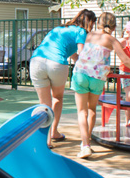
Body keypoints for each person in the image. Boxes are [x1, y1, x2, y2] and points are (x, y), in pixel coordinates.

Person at [71, 12, 130, 159]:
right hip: (97, 77)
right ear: (114, 26)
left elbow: (76, 52)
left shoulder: (87, 35)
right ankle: (88, 144)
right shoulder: (112, 40)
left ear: (98, 23)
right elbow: (127, 61)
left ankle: (85, 144)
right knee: (92, 109)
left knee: (82, 111)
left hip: (81, 74)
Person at [29, 9, 96, 144]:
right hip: (56, 63)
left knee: (44, 104)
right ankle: (53, 132)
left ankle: (46, 140)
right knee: (57, 98)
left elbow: (73, 55)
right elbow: (81, 52)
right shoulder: (81, 31)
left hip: (36, 61)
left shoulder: (60, 29)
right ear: (89, 22)